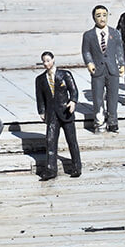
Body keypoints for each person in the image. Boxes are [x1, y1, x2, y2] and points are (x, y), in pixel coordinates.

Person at [35, 51, 82, 180]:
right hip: (51, 114)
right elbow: (40, 97)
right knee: (50, 141)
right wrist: (42, 111)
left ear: (53, 60)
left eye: (48, 60)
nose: (46, 63)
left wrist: (73, 101)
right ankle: (50, 169)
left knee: (72, 141)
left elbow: (73, 90)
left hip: (65, 113)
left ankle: (76, 166)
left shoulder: (65, 75)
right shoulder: (40, 79)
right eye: (44, 61)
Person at [81, 5, 125, 133]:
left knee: (113, 96)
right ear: (94, 18)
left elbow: (119, 50)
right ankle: (99, 122)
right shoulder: (88, 35)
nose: (102, 19)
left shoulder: (115, 33)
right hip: (98, 70)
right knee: (98, 97)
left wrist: (121, 64)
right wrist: (89, 63)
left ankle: (112, 121)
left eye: (104, 15)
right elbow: (86, 51)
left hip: (112, 70)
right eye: (98, 16)